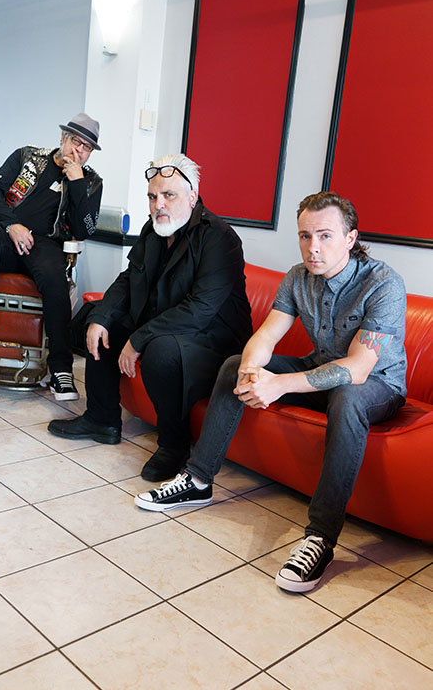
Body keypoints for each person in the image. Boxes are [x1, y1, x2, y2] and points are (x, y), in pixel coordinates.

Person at [135, 191, 407, 593]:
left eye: (326, 236)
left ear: (350, 238)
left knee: (347, 398)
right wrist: (251, 372)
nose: (313, 248)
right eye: (304, 236)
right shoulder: (299, 276)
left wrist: (278, 385)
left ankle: (320, 536)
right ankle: (197, 480)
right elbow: (266, 335)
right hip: (320, 368)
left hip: (377, 384)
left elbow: (357, 368)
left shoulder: (384, 284)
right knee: (232, 366)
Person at [48, 154, 252, 481]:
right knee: (97, 320)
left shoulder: (219, 238)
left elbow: (200, 309)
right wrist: (101, 317)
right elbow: (130, 279)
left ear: (192, 197)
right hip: (168, 326)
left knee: (161, 351)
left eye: (168, 195)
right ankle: (102, 419)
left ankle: (174, 444)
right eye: (153, 196)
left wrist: (139, 338)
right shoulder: (153, 229)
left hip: (213, 341)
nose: (159, 204)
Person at [0, 113, 103, 400]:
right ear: (62, 138)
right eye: (75, 141)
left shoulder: (91, 182)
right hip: (6, 236)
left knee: (55, 279)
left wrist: (76, 184)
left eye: (86, 147)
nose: (79, 151)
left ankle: (61, 369)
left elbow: (85, 229)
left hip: (45, 245)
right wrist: (11, 224)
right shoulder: (27, 156)